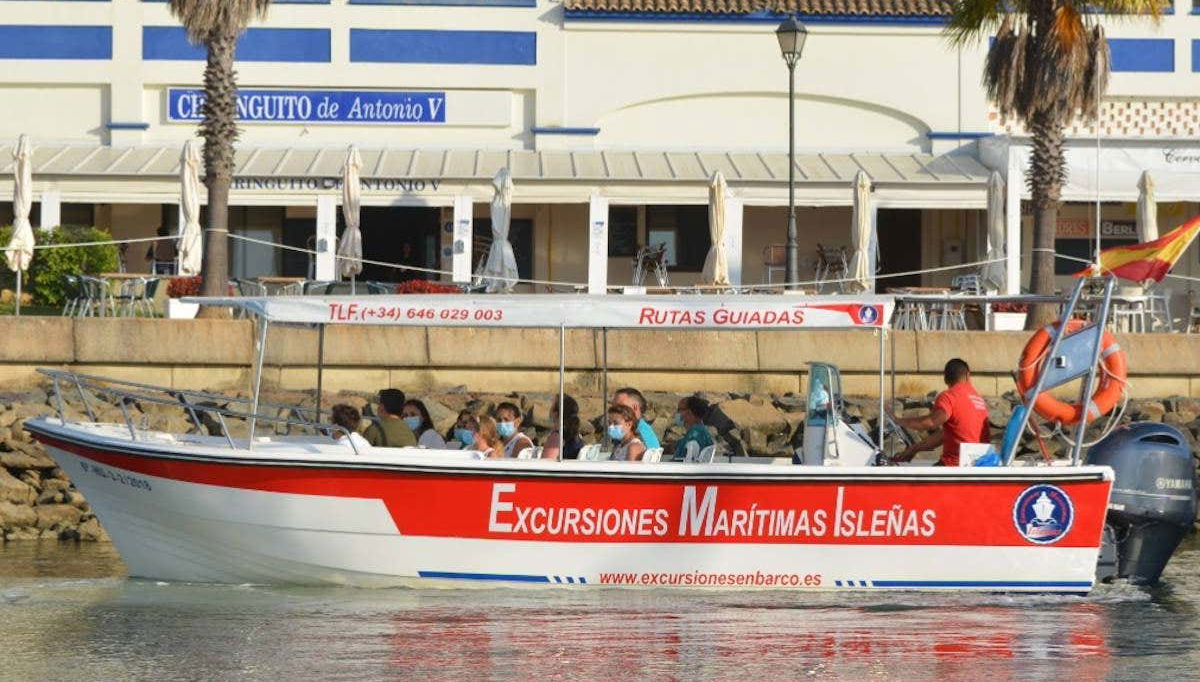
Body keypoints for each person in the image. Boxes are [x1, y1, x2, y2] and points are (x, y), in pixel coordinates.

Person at [889, 358, 990, 466]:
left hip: (955, 466)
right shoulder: (978, 399)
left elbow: (931, 422)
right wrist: (914, 449)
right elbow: (945, 435)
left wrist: (898, 421)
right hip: (980, 465)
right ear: (968, 376)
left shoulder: (949, 396)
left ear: (945, 380)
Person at [672, 396, 714, 461]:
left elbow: (688, 461)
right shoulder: (701, 431)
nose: (676, 413)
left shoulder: (694, 435)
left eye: (679, 409)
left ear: (689, 412)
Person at [542, 394, 583, 460]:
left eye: (552, 405)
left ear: (555, 413)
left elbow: (544, 465)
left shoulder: (556, 438)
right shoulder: (576, 437)